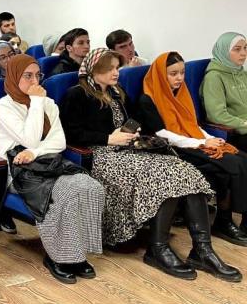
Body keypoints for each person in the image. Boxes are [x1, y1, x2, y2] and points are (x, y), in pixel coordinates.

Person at [60, 49, 240, 281]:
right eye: (110, 68)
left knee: (184, 170)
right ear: (95, 70)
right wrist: (108, 138)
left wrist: (133, 131)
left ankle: (203, 250)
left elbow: (136, 120)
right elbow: (70, 133)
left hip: (130, 150)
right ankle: (158, 248)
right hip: (102, 155)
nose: (116, 72)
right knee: (163, 176)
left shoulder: (117, 92)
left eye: (117, 67)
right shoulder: (76, 94)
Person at [0, 55, 105, 283]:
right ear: (14, 76)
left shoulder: (49, 103)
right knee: (66, 193)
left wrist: (34, 153)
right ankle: (58, 257)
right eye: (28, 76)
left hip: (48, 163)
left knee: (91, 187)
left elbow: (59, 141)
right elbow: (30, 138)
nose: (35, 81)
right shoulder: (2, 107)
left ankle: (78, 253)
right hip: (18, 171)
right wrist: (35, 103)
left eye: (38, 75)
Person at [140, 52, 247, 245]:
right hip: (172, 149)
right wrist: (201, 143)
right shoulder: (147, 99)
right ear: (161, 74)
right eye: (173, 74)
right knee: (230, 166)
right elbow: (162, 134)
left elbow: (192, 125)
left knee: (241, 157)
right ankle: (224, 222)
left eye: (182, 72)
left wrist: (211, 138)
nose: (179, 78)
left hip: (192, 142)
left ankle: (236, 220)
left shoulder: (180, 93)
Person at [202, 32, 247, 151]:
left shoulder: (242, 74)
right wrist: (243, 124)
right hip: (238, 133)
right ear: (224, 51)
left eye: (245, 48)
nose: (243, 53)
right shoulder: (213, 77)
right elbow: (217, 115)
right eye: (237, 49)